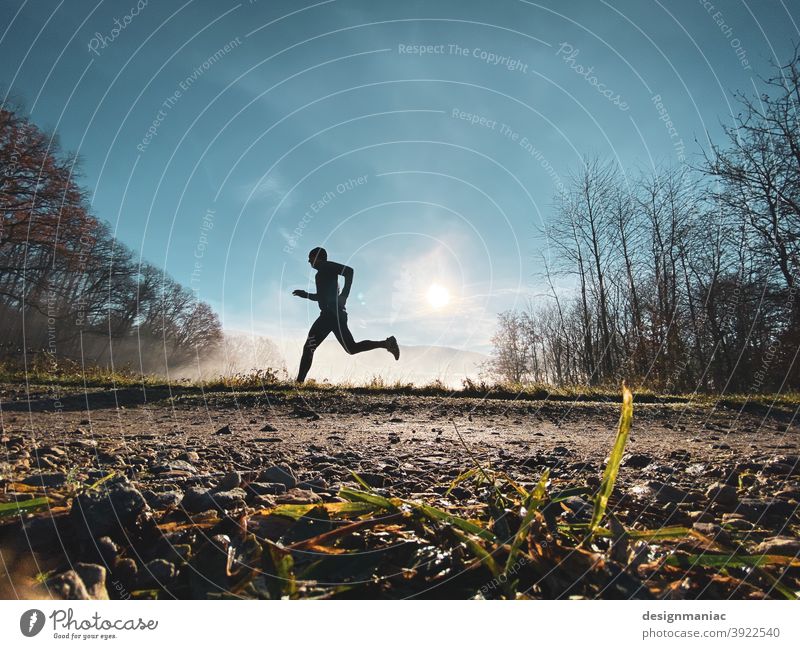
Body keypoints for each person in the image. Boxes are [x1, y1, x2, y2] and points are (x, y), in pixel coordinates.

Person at [293, 247, 400, 383]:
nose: (309, 261)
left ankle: (298, 383)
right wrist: (306, 295)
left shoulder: (326, 266)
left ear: (318, 257)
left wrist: (344, 295)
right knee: (351, 348)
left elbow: (349, 271)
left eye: (310, 258)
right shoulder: (321, 273)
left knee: (309, 347)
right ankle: (387, 343)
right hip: (333, 315)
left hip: (330, 315)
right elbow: (322, 297)